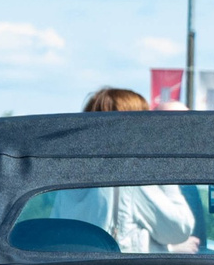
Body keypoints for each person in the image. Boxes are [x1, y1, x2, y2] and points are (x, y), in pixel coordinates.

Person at [59, 87, 199, 253]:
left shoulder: (72, 175)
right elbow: (180, 228)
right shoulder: (128, 179)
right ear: (130, 126)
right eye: (144, 119)